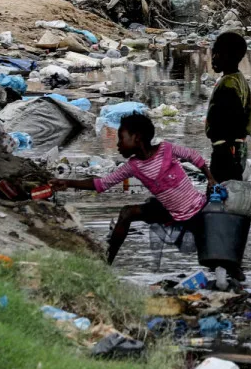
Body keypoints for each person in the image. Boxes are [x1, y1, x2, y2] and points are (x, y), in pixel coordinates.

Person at [49, 113, 209, 264]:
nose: (118, 145)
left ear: (137, 137)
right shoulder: (133, 166)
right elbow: (102, 184)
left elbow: (194, 156)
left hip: (197, 210)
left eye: (121, 138)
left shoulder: (167, 149)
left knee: (209, 253)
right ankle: (107, 261)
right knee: (127, 213)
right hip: (170, 212)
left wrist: (211, 179)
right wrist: (68, 183)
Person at [205, 32, 251, 184]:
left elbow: (232, 120)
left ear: (228, 56)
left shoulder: (228, 85)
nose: (213, 58)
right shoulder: (239, 79)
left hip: (225, 151)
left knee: (220, 190)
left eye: (217, 54)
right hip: (236, 149)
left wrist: (226, 149)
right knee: (232, 189)